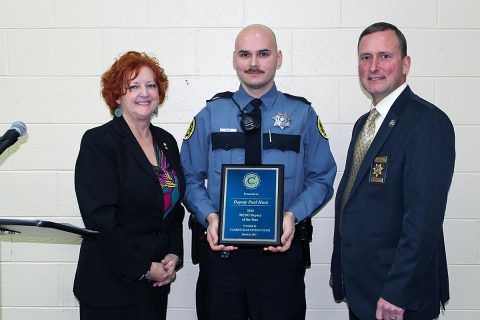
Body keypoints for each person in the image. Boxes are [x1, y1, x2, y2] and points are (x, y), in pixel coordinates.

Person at [181, 24, 336, 320]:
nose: (253, 63)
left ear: (278, 58)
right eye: (245, 54)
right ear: (235, 59)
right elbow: (188, 177)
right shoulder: (210, 114)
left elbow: (322, 176)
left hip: (280, 257)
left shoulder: (302, 114)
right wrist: (210, 217)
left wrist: (292, 215)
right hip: (221, 257)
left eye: (263, 54)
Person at [330, 22, 455, 320]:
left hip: (397, 297)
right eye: (365, 57)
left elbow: (423, 220)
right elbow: (354, 201)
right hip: (363, 286)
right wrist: (342, 267)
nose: (373, 66)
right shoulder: (364, 124)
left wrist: (398, 291)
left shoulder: (427, 122)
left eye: (385, 56)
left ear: (405, 64)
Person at [74, 51, 185, 320]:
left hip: (154, 286)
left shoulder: (166, 141)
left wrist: (173, 252)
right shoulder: (99, 142)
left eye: (150, 85)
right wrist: (144, 268)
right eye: (132, 86)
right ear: (117, 96)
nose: (143, 93)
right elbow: (100, 218)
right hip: (111, 287)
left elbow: (173, 206)